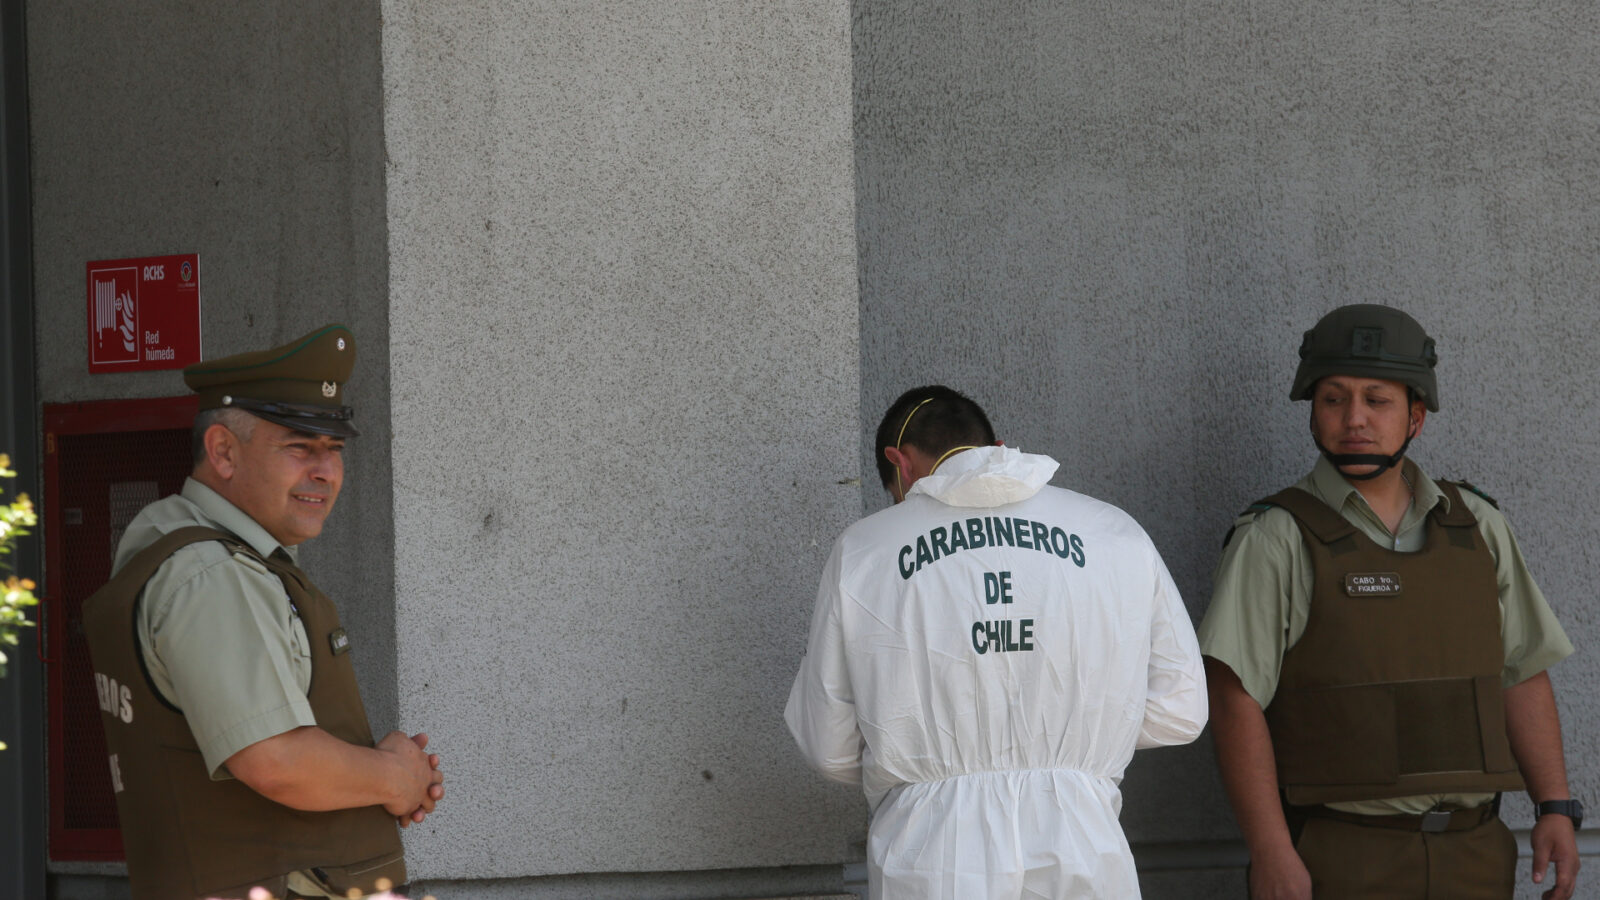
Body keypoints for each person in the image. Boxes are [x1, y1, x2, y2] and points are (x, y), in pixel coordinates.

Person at [1200, 304, 1581, 900]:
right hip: (1341, 855)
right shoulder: (1276, 537)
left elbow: (1522, 670)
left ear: (1416, 417)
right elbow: (1233, 700)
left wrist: (1554, 804)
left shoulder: (1477, 525)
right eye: (1333, 399)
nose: (1354, 418)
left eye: (1376, 400)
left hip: (1476, 851)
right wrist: (1270, 849)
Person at [785, 385, 1207, 899]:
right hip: (1083, 842)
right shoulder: (1115, 533)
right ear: (998, 448)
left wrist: (919, 758)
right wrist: (1080, 738)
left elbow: (828, 745)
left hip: (931, 853)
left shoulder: (864, 550)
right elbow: (1182, 709)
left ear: (901, 464)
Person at [83, 325, 444, 900]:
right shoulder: (212, 573)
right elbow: (276, 760)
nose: (326, 471)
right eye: (300, 447)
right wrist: (397, 776)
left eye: (335, 450)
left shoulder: (179, 542)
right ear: (223, 452)